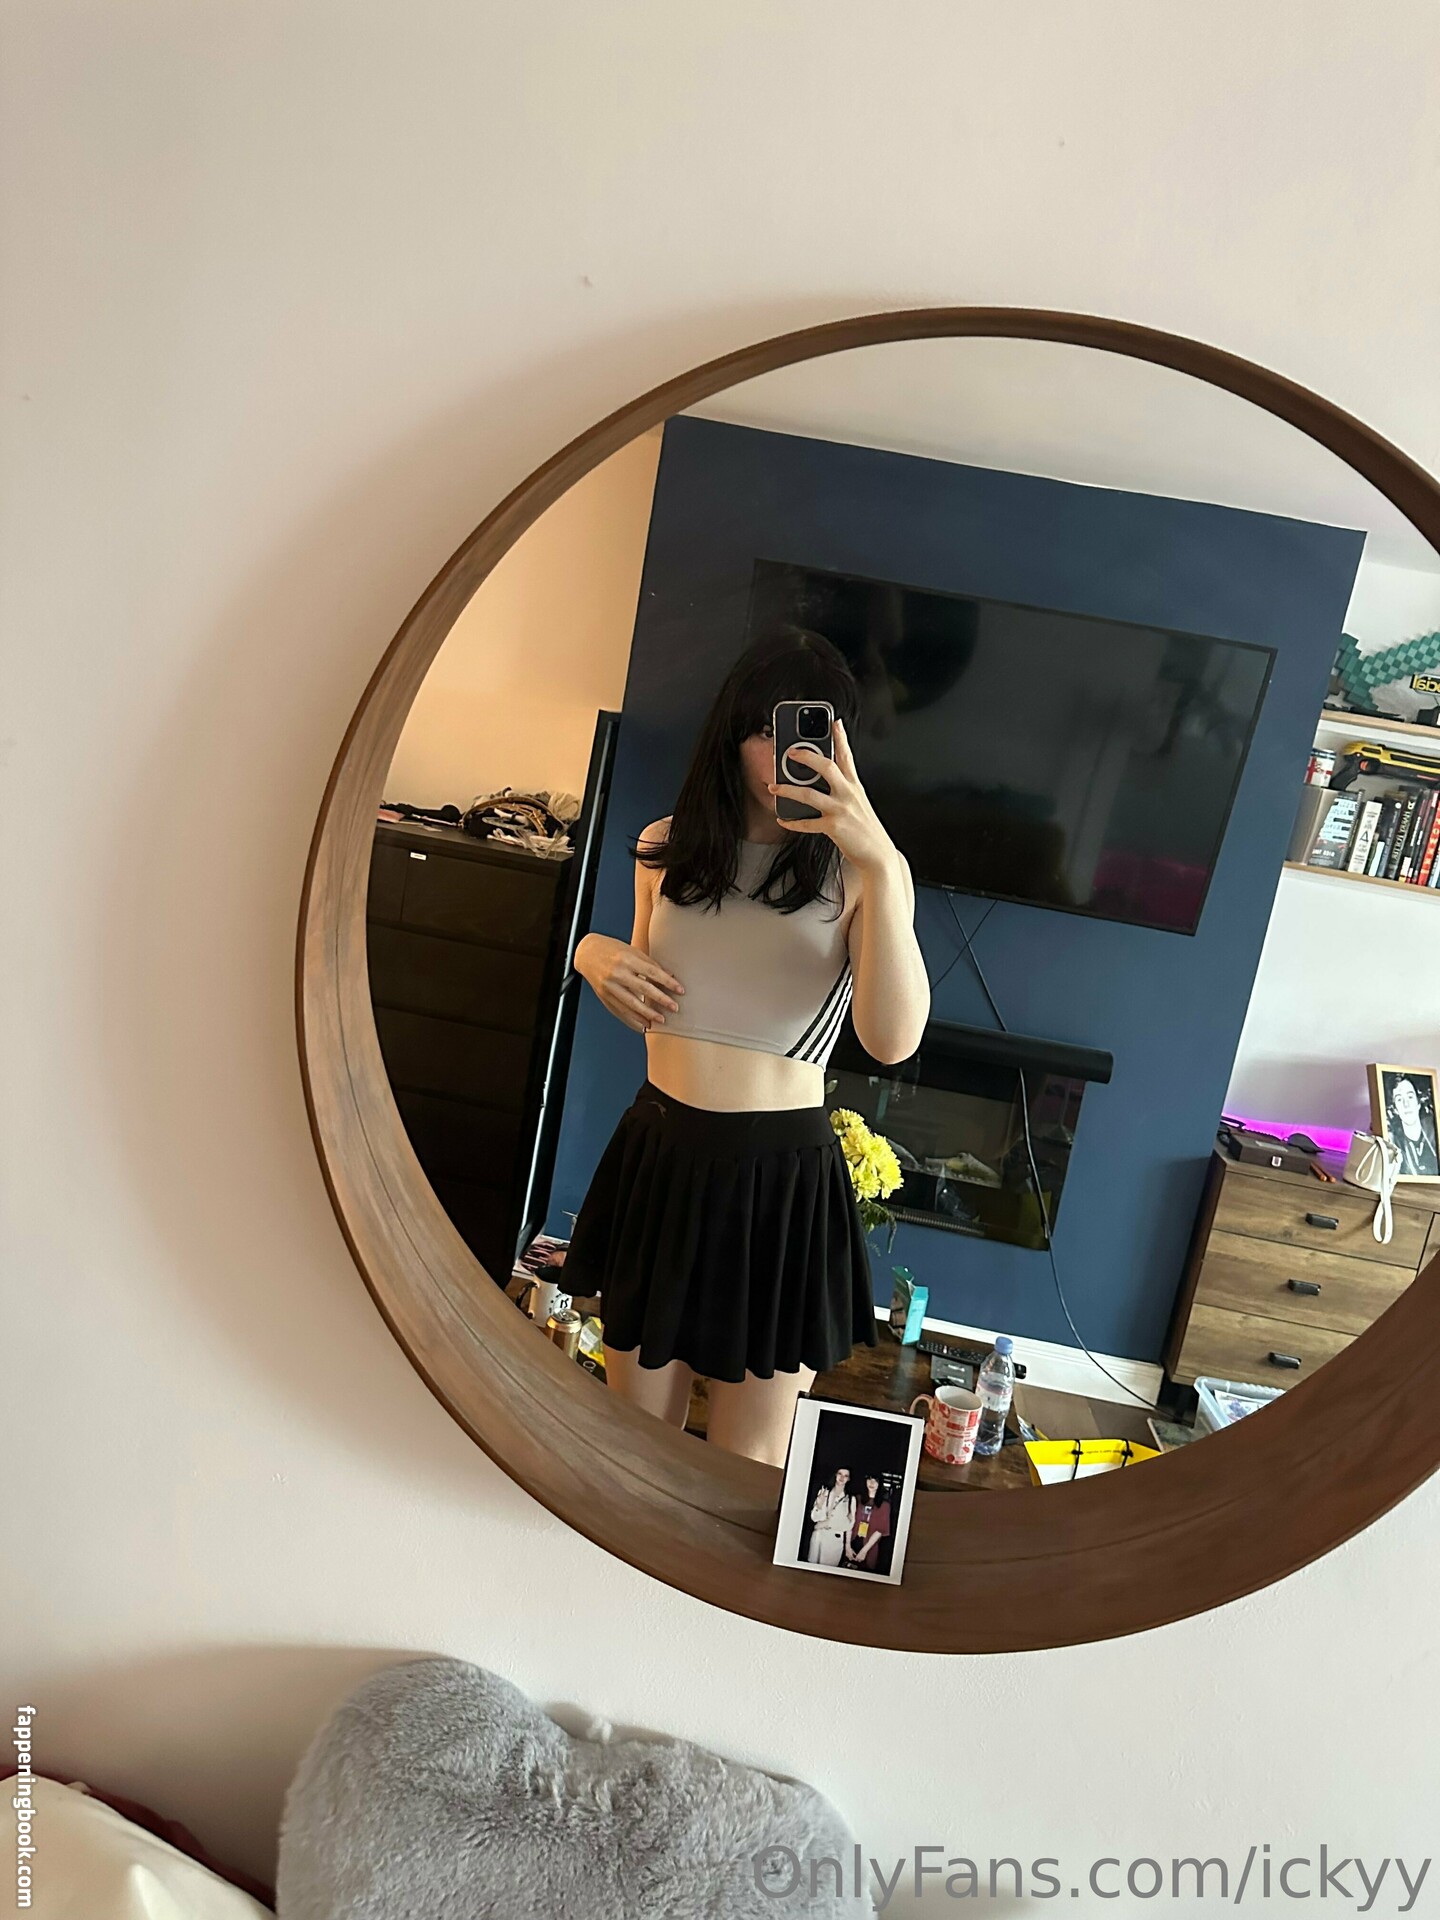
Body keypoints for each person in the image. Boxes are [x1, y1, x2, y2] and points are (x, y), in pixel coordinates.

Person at [564, 630, 931, 1466]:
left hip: (781, 1185)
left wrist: (880, 861)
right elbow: (652, 1005)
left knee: (745, 1464)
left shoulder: (865, 873)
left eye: (807, 730)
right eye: (767, 729)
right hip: (661, 1158)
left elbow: (892, 1040)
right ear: (731, 735)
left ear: (839, 742)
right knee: (633, 1448)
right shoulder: (663, 848)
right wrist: (590, 954)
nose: (784, 755)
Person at [1388, 1076, 1440, 1179]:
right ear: (1395, 1110)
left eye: (1410, 1097)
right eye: (1399, 1099)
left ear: (1418, 1102)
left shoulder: (1434, 1138)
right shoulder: (1394, 1145)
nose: (1406, 1104)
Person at [807, 1468, 855, 1566]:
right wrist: (819, 1505)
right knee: (810, 1568)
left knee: (826, 1570)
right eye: (840, 1474)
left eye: (845, 1476)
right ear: (835, 1475)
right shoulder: (824, 1492)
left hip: (834, 1540)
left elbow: (849, 1525)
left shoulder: (850, 1499)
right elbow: (814, 1517)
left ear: (849, 1479)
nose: (842, 1477)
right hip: (818, 1536)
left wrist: (848, 1546)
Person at [845, 1474, 892, 1572]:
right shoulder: (857, 1499)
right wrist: (847, 1546)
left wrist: (864, 1551)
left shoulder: (884, 1505)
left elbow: (880, 1530)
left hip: (869, 1546)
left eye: (875, 1480)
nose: (872, 1483)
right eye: (869, 1479)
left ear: (880, 1484)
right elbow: (849, 1522)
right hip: (853, 1541)